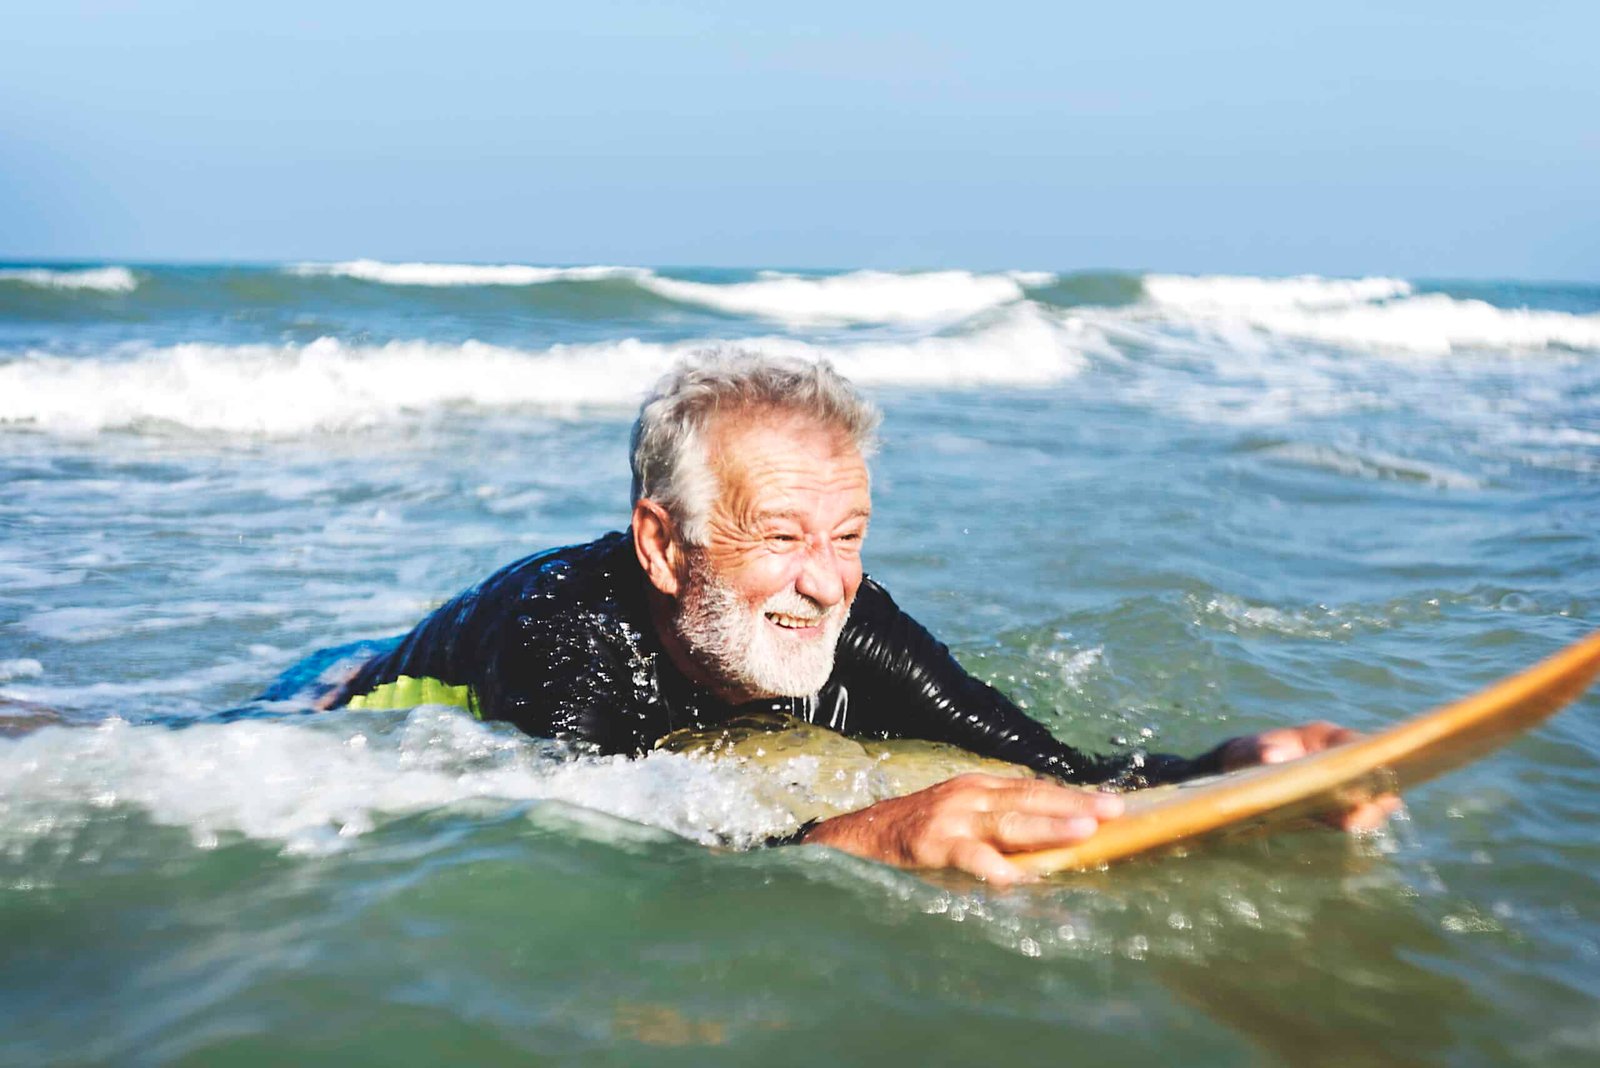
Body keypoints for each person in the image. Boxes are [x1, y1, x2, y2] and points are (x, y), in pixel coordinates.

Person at [328, 350, 1393, 884]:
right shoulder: (564, 636)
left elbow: (1052, 764)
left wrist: (1228, 771)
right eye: (783, 537)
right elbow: (615, 855)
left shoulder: (848, 617)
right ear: (663, 545)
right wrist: (865, 836)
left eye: (848, 536)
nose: (828, 583)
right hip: (348, 701)